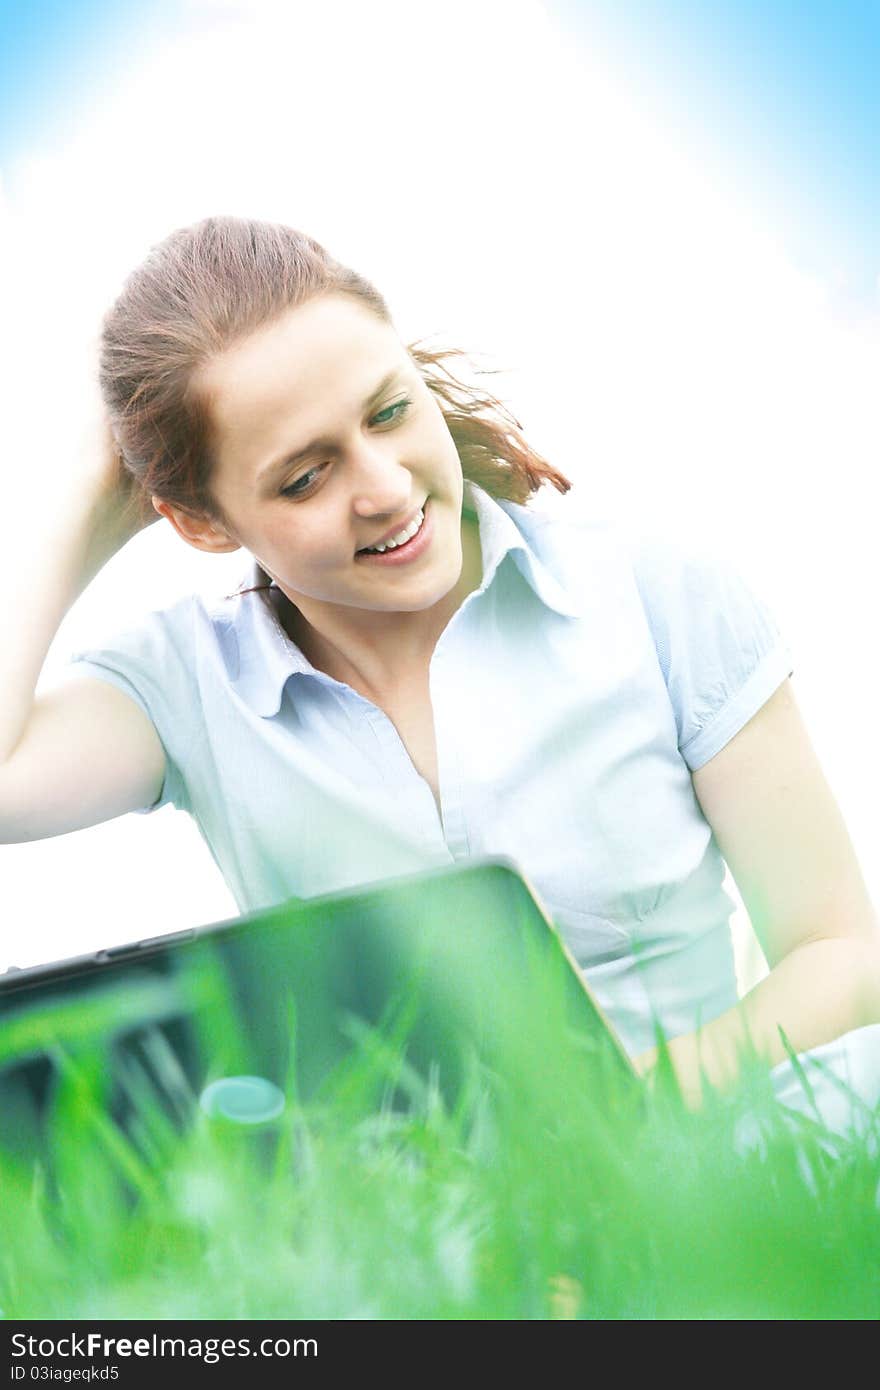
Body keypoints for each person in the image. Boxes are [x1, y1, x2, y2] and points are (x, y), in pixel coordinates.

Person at [2, 215, 878, 1137]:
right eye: (304, 478)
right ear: (202, 523)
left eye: (390, 412)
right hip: (435, 1247)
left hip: (722, 1166)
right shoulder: (181, 687)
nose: (383, 487)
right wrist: (83, 496)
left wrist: (636, 1108)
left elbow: (841, 949)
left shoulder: (656, 589)